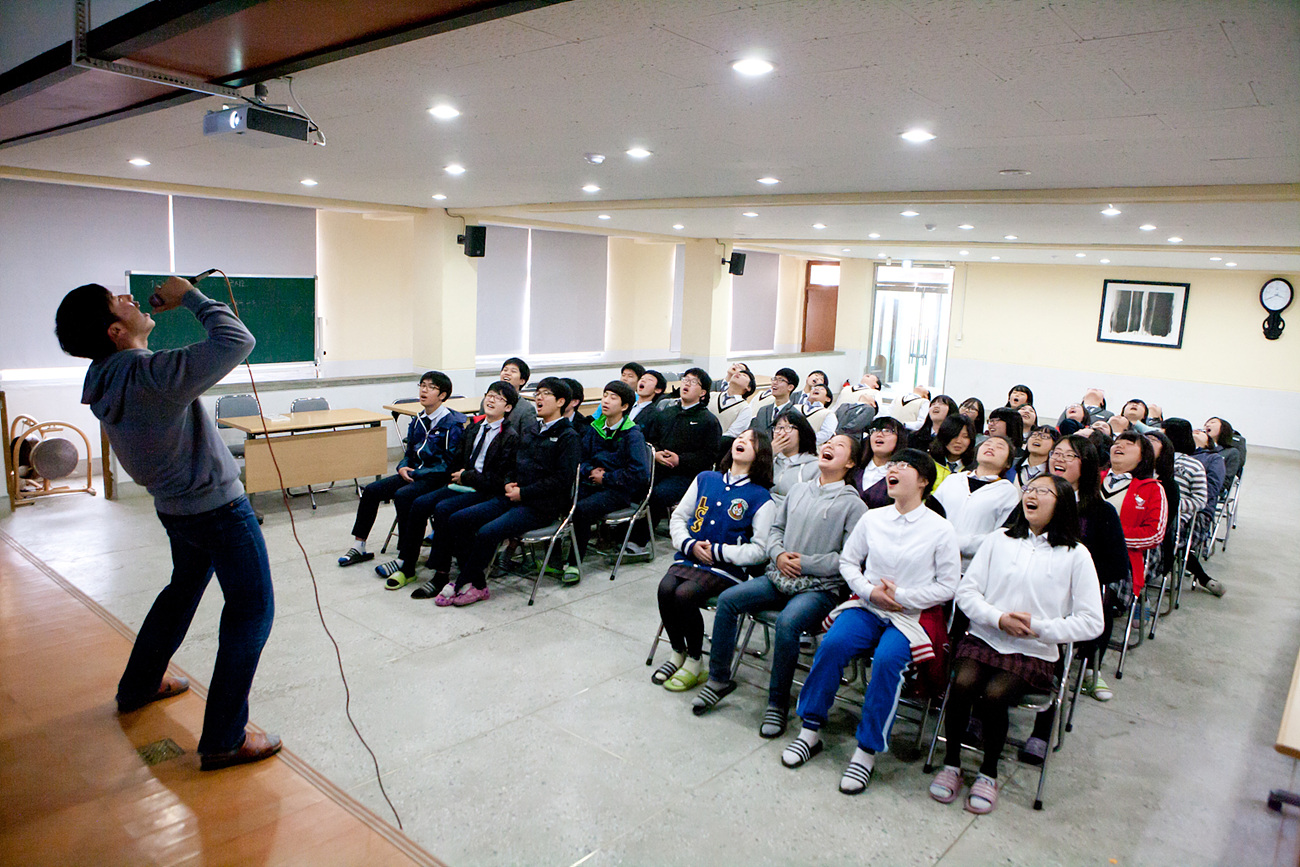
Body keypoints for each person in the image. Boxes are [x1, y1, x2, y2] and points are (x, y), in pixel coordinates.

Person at [55, 277, 280, 770]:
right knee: (250, 613)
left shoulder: (105, 376)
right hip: (217, 510)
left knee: (182, 589)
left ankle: (139, 683)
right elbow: (237, 341)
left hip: (176, 509)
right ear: (115, 330)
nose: (132, 299)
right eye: (121, 302)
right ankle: (224, 738)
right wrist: (192, 298)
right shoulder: (150, 373)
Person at [781, 448, 960, 795]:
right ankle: (810, 731)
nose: (894, 470)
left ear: (924, 481)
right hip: (868, 605)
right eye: (893, 465)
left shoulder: (940, 530)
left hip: (911, 615)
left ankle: (866, 751)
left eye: (904, 466)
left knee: (889, 662)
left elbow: (948, 586)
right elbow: (849, 562)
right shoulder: (874, 518)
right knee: (832, 645)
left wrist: (903, 596)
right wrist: (869, 591)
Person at [928, 475, 1103, 814]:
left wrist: (1038, 628)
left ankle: (988, 772)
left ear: (1062, 503)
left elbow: (1091, 621)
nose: (1032, 495)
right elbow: (967, 592)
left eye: (1043, 492)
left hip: (1033, 650)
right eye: (1030, 489)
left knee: (995, 695)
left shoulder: (1076, 554)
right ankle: (951, 764)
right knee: (962, 684)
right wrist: (997, 618)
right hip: (985, 636)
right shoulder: (999, 540)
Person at [692, 434, 867, 736]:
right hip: (779, 575)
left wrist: (806, 563)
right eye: (828, 443)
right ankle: (719, 679)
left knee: (788, 623)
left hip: (819, 588)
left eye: (839, 447)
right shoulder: (799, 490)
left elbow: (849, 558)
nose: (829, 447)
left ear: (850, 462)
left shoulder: (854, 505)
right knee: (729, 600)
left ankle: (777, 703)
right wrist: (778, 554)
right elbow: (776, 529)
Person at [431, 377, 582, 606]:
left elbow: (561, 480)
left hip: (541, 505)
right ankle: (476, 581)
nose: (538, 398)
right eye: (537, 392)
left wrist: (524, 493)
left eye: (545, 394)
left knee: (487, 531)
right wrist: (509, 483)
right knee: (458, 519)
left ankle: (466, 581)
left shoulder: (568, 437)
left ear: (561, 401)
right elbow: (515, 464)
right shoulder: (533, 429)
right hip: (514, 495)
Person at [1021, 436, 1127, 739]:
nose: (1061, 460)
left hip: (1067, 599)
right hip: (1024, 587)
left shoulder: (1100, 511)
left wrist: (1074, 578)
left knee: (1058, 635)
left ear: (1088, 466)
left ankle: (1042, 731)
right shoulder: (1033, 500)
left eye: (1071, 456)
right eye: (1058, 454)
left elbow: (1117, 566)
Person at [651, 431, 775, 691]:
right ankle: (678, 652)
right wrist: (689, 544)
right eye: (740, 437)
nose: (741, 441)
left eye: (751, 441)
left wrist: (718, 551)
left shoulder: (761, 497)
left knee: (684, 594)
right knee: (665, 590)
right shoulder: (705, 479)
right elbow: (678, 518)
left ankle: (696, 661)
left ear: (761, 454)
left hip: (726, 569)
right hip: (689, 556)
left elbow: (760, 550)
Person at [401, 381, 520, 597]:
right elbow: (456, 460)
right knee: (419, 503)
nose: (491, 400)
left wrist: (467, 476)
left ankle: (441, 574)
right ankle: (407, 564)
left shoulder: (510, 436)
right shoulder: (474, 426)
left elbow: (499, 478)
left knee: (445, 510)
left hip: (484, 491)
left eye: (499, 398)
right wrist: (460, 475)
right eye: (489, 395)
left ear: (509, 407)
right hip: (463, 484)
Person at [342, 370, 465, 572]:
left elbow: (449, 464)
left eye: (430, 387)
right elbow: (408, 452)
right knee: (372, 490)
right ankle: (359, 546)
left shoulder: (452, 425)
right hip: (414, 473)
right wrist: (402, 467)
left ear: (442, 395)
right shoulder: (418, 419)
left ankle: (405, 556)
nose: (424, 390)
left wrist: (416, 473)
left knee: (403, 496)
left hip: (435, 478)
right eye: (422, 385)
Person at [566, 381, 651, 583]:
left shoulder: (632, 434)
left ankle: (573, 563)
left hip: (619, 490)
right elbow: (580, 459)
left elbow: (640, 474)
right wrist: (590, 471)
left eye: (613, 397)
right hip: (592, 482)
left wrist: (606, 477)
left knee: (582, 509)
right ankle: (554, 558)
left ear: (624, 406)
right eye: (605, 395)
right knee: (562, 499)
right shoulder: (594, 429)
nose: (606, 400)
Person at [632, 369, 723, 554]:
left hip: (688, 475)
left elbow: (709, 456)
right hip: (660, 466)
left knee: (658, 494)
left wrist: (680, 460)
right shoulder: (666, 413)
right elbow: (651, 440)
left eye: (693, 382)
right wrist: (655, 453)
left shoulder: (708, 420)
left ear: (703, 392)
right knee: (636, 483)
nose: (686, 384)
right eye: (685, 380)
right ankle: (622, 533)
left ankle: (640, 541)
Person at [1102, 432, 1168, 621]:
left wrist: (1111, 538)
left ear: (1143, 456)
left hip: (1122, 559)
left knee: (1100, 593)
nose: (1119, 446)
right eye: (1117, 442)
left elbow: (1154, 534)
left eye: (1129, 443)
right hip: (1079, 550)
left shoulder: (1152, 488)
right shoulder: (1093, 479)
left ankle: (1088, 648)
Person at [933, 435, 1021, 573]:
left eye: (1000, 447)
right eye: (987, 444)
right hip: (934, 559)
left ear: (1008, 463)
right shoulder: (953, 479)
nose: (991, 447)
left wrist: (960, 543)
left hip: (971, 569)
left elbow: (1001, 535)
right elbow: (932, 515)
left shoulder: (1008, 491)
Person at [1165, 420, 1226, 596]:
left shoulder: (1212, 459)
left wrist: (1172, 503)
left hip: (1193, 513)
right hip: (1164, 511)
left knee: (1171, 535)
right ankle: (1203, 577)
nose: (1197, 431)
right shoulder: (1162, 458)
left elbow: (1210, 492)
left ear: (1209, 442)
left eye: (1201, 432)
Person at [850, 417, 906, 508]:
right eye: (874, 430)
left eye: (887, 431)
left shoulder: (902, 475)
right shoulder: (855, 468)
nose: (879, 434)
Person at [770, 409, 821, 505]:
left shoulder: (815, 466)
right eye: (778, 428)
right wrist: (769, 454)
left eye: (788, 427)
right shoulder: (769, 461)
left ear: (802, 432)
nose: (781, 433)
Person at [711, 367, 758, 454]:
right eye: (738, 373)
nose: (738, 374)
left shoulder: (744, 408)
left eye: (744, 375)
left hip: (719, 450)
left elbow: (732, 434)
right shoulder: (712, 395)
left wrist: (709, 443)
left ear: (748, 388)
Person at [927, 414, 977, 486]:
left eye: (965, 436)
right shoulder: (929, 463)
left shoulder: (973, 470)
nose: (958, 441)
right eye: (955, 435)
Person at [751, 367, 800, 437]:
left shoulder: (795, 414)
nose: (774, 383)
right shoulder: (763, 410)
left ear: (790, 387)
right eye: (774, 379)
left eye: (780, 380)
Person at [497, 356, 538, 435]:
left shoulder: (526, 409)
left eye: (513, 371)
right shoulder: (489, 402)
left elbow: (527, 441)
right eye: (505, 370)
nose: (507, 373)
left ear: (522, 381)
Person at [1205, 416, 1244, 481]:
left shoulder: (1231, 452)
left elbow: (1227, 479)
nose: (1207, 425)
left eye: (1213, 422)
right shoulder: (1200, 449)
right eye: (1206, 424)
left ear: (1223, 428)